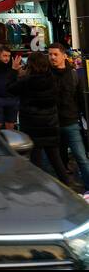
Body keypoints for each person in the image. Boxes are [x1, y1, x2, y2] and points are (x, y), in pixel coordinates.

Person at [9, 51, 73, 186]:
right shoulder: (53, 79)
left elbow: (10, 89)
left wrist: (14, 71)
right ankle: (69, 187)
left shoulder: (26, 81)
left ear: (30, 65)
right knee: (56, 160)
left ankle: (39, 189)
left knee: (36, 162)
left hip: (32, 126)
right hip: (50, 124)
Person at [49, 43, 89, 194]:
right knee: (58, 161)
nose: (52, 57)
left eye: (55, 54)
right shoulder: (46, 74)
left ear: (64, 56)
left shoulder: (73, 75)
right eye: (50, 54)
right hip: (53, 123)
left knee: (81, 157)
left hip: (71, 121)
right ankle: (62, 192)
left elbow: (80, 99)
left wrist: (85, 118)